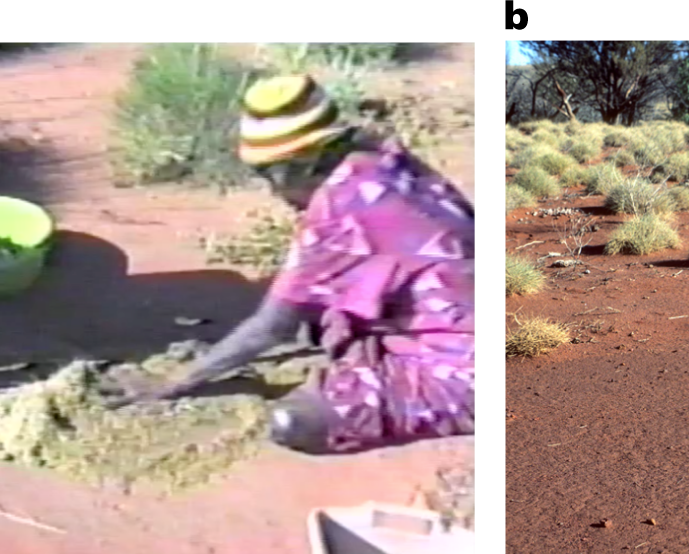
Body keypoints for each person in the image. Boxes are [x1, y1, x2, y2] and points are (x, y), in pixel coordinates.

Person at [111, 74, 474, 455]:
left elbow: (270, 329)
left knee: (296, 421)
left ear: (302, 163)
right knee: (330, 319)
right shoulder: (388, 158)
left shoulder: (340, 213)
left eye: (270, 175)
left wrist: (172, 382)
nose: (272, 190)